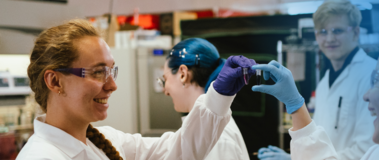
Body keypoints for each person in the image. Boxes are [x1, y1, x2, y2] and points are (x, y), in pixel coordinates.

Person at [16, 19, 256, 160]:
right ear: (55, 82)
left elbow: (179, 151)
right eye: (99, 72)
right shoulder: (41, 156)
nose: (112, 85)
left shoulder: (107, 140)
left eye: (112, 70)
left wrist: (219, 95)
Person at [257, 0, 376, 159]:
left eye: (337, 30)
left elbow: (366, 151)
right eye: (323, 32)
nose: (329, 38)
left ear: (355, 32)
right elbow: (316, 137)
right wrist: (294, 156)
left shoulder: (371, 75)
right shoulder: (324, 82)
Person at [159, 38, 251, 160]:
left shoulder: (217, 138)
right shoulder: (205, 129)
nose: (164, 91)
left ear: (183, 74)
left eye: (164, 80)